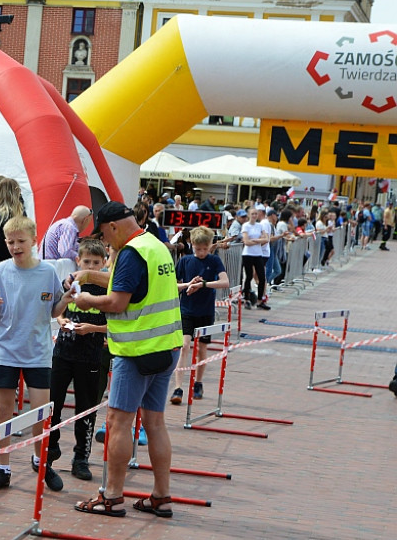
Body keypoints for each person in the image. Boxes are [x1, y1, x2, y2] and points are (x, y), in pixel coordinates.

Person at [70, 201, 182, 518]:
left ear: (115, 226)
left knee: (119, 422)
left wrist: (88, 300)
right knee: (155, 423)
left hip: (137, 351)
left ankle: (112, 495)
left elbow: (118, 301)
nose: (105, 242)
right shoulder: (155, 246)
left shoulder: (131, 253)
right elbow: (133, 286)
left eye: (104, 235)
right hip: (167, 347)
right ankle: (161, 495)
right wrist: (92, 274)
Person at [0, 216, 63, 491]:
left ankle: (41, 461)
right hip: (5, 350)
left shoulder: (48, 272)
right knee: (3, 410)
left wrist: (68, 300)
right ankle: (2, 467)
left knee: (41, 412)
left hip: (38, 351)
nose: (15, 247)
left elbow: (54, 311)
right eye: (10, 242)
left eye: (21, 241)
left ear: (34, 240)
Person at [49, 238, 109, 482]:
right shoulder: (71, 282)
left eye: (96, 263)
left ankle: (81, 458)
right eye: (87, 262)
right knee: (53, 405)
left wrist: (93, 329)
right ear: (78, 261)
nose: (91, 267)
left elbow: (117, 324)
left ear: (104, 263)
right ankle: (48, 453)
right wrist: (62, 320)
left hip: (92, 356)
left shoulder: (108, 288)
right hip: (63, 352)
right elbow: (60, 307)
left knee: (86, 409)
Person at [169, 226, 229, 405]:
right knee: (184, 345)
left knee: (202, 349)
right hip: (186, 310)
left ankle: (198, 382)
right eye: (197, 248)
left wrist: (204, 284)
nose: (201, 252)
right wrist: (188, 284)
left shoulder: (215, 260)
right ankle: (178, 387)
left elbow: (224, 282)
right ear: (192, 245)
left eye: (204, 248)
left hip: (205, 312)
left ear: (210, 245)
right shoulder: (185, 261)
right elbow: (173, 285)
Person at [242, 206, 271, 310]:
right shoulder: (246, 226)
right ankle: (246, 299)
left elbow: (266, 239)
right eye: (252, 214)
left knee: (262, 277)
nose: (254, 215)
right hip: (248, 254)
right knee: (249, 276)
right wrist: (258, 240)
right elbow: (246, 242)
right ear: (249, 215)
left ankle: (260, 300)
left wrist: (255, 240)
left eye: (256, 214)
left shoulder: (260, 225)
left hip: (258, 254)